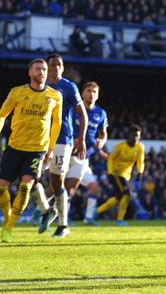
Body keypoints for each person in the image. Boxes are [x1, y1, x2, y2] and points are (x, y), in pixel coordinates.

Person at [0, 58, 62, 243]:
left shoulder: (55, 96)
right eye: (38, 69)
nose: (42, 72)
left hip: (37, 150)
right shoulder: (17, 92)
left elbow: (57, 123)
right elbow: (1, 115)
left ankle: (8, 228)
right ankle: (9, 218)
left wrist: (51, 148)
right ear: (29, 72)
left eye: (44, 69)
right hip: (14, 147)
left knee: (25, 187)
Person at [38, 54, 88, 238]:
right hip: (40, 140)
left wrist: (81, 139)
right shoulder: (39, 87)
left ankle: (63, 225)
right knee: (30, 178)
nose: (56, 68)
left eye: (59, 65)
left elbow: (82, 114)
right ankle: (47, 210)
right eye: (53, 65)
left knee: (57, 183)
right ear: (47, 67)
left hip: (61, 140)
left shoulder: (68, 87)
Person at [65, 81, 109, 225]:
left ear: (97, 96)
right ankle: (60, 217)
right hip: (67, 153)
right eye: (88, 91)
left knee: (94, 188)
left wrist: (101, 142)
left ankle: (88, 218)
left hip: (84, 157)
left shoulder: (101, 113)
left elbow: (103, 133)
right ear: (82, 93)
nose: (91, 94)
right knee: (65, 188)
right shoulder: (74, 109)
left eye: (94, 92)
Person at [96, 124, 145, 226]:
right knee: (127, 193)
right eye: (134, 135)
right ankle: (120, 220)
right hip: (115, 173)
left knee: (118, 197)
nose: (136, 138)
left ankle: (95, 212)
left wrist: (140, 172)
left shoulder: (140, 147)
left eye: (138, 136)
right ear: (129, 135)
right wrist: (109, 172)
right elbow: (110, 159)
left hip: (125, 175)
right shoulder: (119, 147)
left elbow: (141, 161)